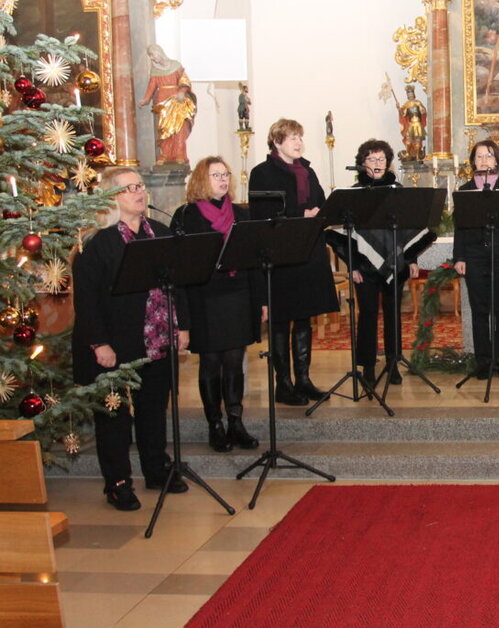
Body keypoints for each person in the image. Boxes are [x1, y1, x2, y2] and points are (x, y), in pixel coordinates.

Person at [72, 167, 190, 511]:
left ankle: (157, 469)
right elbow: (87, 301)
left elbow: (179, 284)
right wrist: (99, 344)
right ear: (112, 198)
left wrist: (182, 326)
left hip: (157, 339)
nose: (140, 192)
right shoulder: (96, 243)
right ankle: (118, 482)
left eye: (140, 186)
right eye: (130, 188)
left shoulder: (162, 232)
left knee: (153, 409)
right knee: (115, 418)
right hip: (115, 343)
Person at [171, 157, 260, 453]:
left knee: (235, 361)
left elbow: (254, 261)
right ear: (201, 179)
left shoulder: (241, 214)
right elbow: (179, 268)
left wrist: (260, 302)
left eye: (226, 174)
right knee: (211, 363)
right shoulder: (187, 215)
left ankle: (235, 420)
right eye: (215, 175)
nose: (222, 179)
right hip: (204, 298)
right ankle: (215, 424)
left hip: (237, 294)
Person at [248, 119, 338, 405]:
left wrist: (318, 213)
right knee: (280, 322)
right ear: (277, 142)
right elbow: (263, 214)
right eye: (292, 138)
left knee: (304, 319)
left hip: (309, 253)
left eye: (300, 137)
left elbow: (322, 201)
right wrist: (303, 215)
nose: (299, 142)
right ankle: (283, 384)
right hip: (281, 256)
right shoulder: (261, 173)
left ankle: (304, 379)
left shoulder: (308, 171)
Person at [346, 140, 434, 386]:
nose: (377, 164)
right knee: (368, 314)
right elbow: (346, 235)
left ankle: (393, 363)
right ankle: (369, 368)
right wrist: (352, 266)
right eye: (371, 159)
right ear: (362, 164)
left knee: (393, 314)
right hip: (364, 267)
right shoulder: (354, 193)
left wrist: (412, 258)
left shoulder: (397, 189)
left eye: (381, 159)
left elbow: (409, 227)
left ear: (388, 162)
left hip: (394, 264)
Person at [454, 140, 499, 380]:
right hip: (474, 257)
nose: (484, 160)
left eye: (489, 156)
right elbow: (460, 228)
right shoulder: (465, 191)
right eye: (480, 156)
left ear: (497, 160)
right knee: (479, 311)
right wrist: (460, 257)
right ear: (473, 161)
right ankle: (483, 362)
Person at [139, 44, 195, 166]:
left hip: (177, 100)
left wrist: (182, 92)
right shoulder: (155, 71)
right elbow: (151, 87)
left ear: (159, 52)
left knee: (180, 128)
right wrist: (146, 99)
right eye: (151, 57)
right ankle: (165, 154)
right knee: (164, 129)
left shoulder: (175, 66)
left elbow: (184, 80)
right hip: (163, 102)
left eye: (153, 55)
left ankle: (180, 153)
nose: (153, 59)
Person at [398, 85, 426, 161]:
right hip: (411, 124)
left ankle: (417, 156)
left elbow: (423, 111)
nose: (410, 95)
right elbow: (403, 115)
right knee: (408, 139)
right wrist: (399, 108)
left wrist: (422, 110)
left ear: (413, 94)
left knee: (418, 140)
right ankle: (407, 153)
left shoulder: (418, 102)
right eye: (408, 93)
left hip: (417, 124)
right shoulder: (406, 105)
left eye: (411, 93)